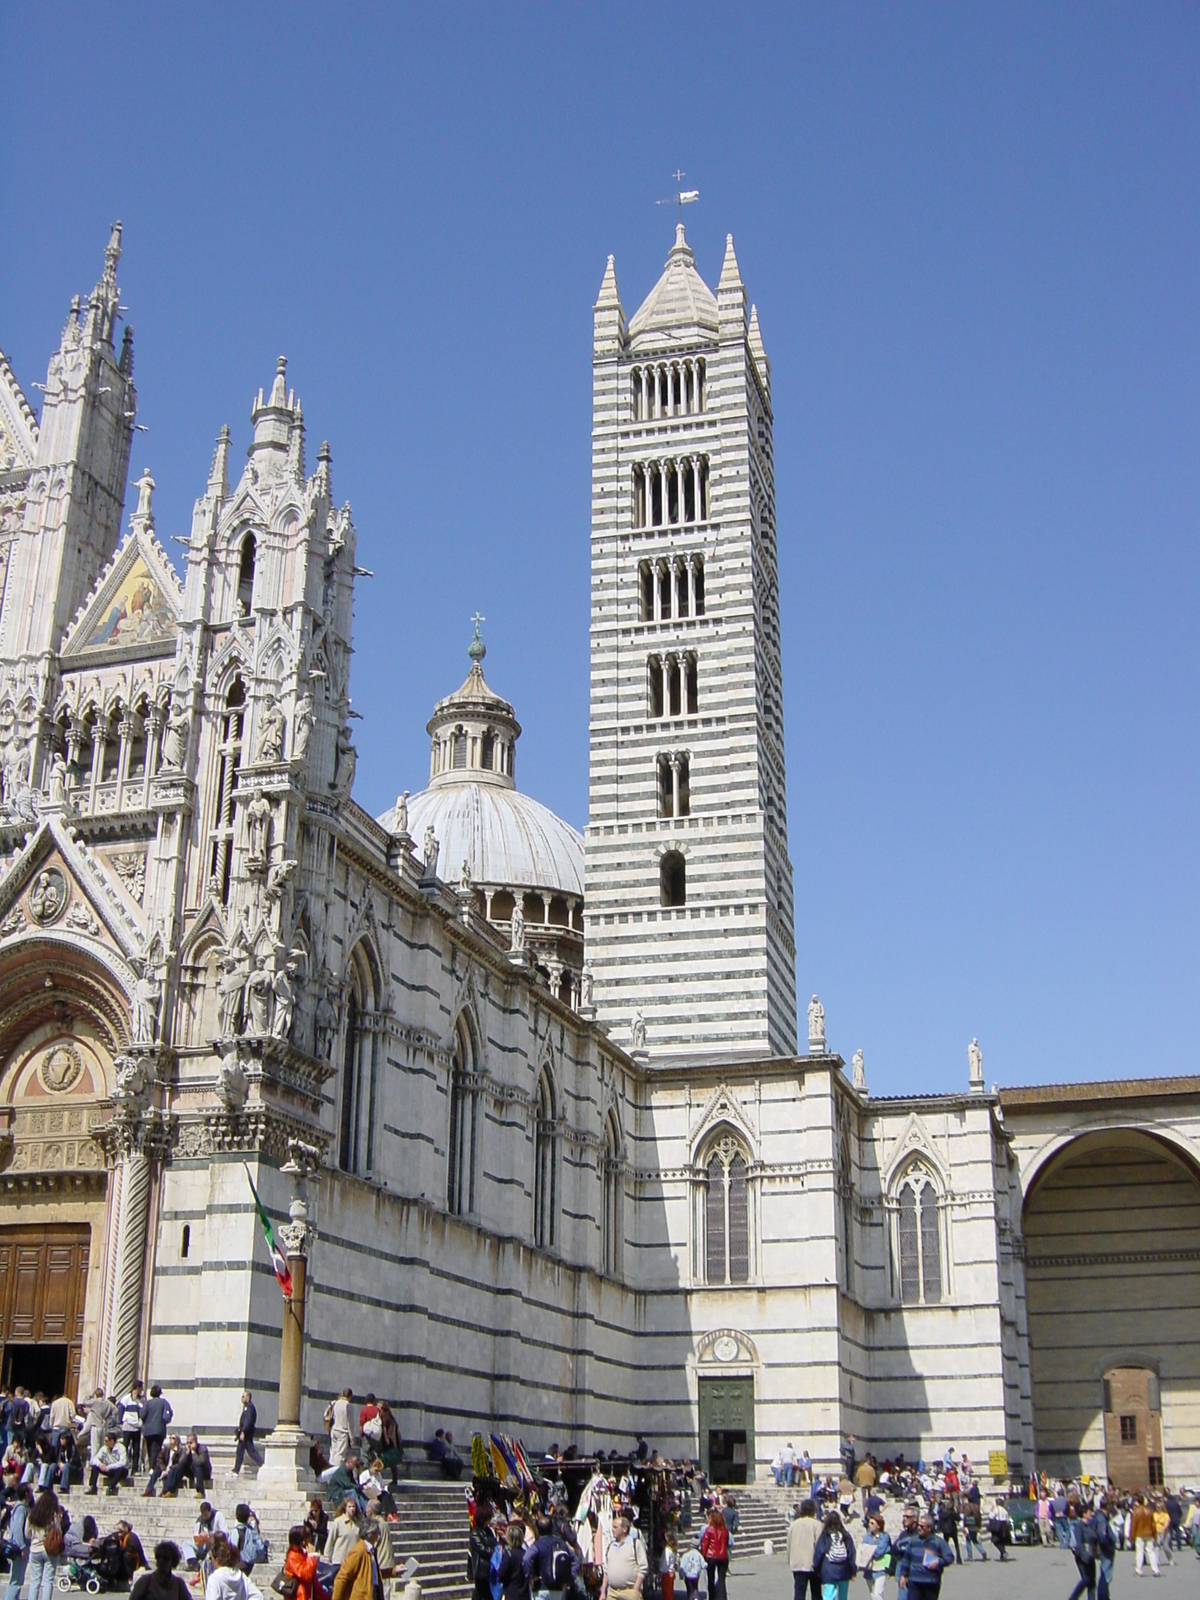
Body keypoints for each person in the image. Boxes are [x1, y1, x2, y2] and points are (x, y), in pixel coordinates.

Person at [895, 1512, 953, 1600]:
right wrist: (903, 1574)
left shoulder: (938, 1542)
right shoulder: (913, 1541)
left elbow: (949, 1557)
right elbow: (907, 1559)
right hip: (914, 1581)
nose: (919, 1528)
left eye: (922, 1526)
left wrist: (938, 1562)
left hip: (931, 1582)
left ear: (929, 1528)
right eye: (918, 1525)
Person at [523, 1513, 579, 1600]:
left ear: (537, 1530)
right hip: (559, 1587)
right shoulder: (561, 1543)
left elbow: (526, 1559)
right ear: (552, 1528)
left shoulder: (536, 1545)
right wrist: (569, 1578)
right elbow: (575, 1560)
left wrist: (531, 1577)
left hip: (540, 1588)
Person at [25, 1489, 65, 1600]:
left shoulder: (32, 1514)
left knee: (35, 1581)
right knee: (48, 1580)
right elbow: (59, 1532)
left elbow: (27, 1534)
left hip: (35, 1549)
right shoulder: (53, 1516)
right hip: (49, 1549)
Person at [601, 1514, 648, 1600]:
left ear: (624, 1529)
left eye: (615, 1527)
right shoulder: (611, 1546)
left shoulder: (635, 1544)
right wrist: (603, 1592)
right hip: (612, 1592)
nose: (612, 1530)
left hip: (630, 1592)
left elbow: (643, 1568)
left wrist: (635, 1590)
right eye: (612, 1527)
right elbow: (606, 1570)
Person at [331, 1518, 381, 1600]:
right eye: (377, 1532)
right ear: (371, 1534)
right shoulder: (359, 1551)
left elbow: (371, 1573)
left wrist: (393, 1572)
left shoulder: (371, 1550)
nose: (379, 1535)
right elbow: (341, 1578)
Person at [813, 1511, 857, 1600]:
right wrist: (853, 1570)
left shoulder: (825, 1536)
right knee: (843, 1597)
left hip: (828, 1569)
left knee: (829, 1596)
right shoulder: (845, 1535)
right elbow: (851, 1553)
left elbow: (819, 1553)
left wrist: (816, 1569)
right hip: (844, 1569)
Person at [205, 1535, 263, 1600]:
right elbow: (258, 1596)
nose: (211, 1561)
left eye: (211, 1558)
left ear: (217, 1560)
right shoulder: (241, 1577)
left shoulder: (215, 1579)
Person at [2, 1484, 32, 1600]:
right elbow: (17, 1529)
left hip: (18, 1547)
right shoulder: (21, 1509)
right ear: (26, 1494)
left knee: (17, 1578)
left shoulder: (22, 1508)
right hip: (18, 1549)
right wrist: (23, 1547)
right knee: (16, 1579)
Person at [789, 1498, 821, 1600]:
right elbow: (820, 1546)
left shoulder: (794, 1525)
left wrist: (790, 1560)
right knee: (816, 1592)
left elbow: (789, 1544)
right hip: (813, 1563)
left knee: (799, 1592)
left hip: (797, 1563)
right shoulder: (817, 1524)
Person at [284, 1525, 327, 1600]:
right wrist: (311, 1557)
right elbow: (305, 1575)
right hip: (299, 1596)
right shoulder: (292, 1556)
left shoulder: (300, 1553)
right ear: (302, 1540)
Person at [141, 1384, 173, 1475]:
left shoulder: (147, 1403)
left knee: (149, 1448)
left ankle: (152, 1466)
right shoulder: (164, 1402)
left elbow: (142, 1414)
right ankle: (153, 1467)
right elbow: (168, 1415)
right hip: (159, 1429)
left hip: (148, 1430)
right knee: (156, 1448)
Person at [1068, 1506, 1099, 1600]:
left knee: (1092, 1582)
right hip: (1082, 1556)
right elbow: (1079, 1542)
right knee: (1086, 1579)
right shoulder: (1079, 1525)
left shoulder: (1091, 1525)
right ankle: (1073, 1598)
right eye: (1090, 1512)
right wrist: (1084, 1555)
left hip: (1091, 1555)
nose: (1091, 1514)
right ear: (1084, 1514)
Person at [186, 1503, 229, 1567]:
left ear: (210, 1512)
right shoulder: (200, 1520)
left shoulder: (218, 1515)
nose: (204, 1517)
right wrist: (201, 1539)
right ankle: (193, 1563)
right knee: (186, 1544)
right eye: (203, 1515)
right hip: (204, 1546)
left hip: (216, 1545)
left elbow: (225, 1534)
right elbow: (196, 1537)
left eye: (206, 1515)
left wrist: (211, 1536)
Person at [498, 1521, 532, 1600]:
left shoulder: (509, 1554)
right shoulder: (526, 1553)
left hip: (511, 1592)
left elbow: (501, 1574)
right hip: (524, 1593)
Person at [87, 1430, 128, 1495]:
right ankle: (92, 1487)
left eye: (106, 1441)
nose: (104, 1442)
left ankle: (111, 1487)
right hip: (109, 1469)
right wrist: (100, 1464)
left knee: (121, 1469)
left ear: (112, 1441)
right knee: (95, 1467)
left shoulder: (121, 1448)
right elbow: (94, 1459)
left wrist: (110, 1466)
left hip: (119, 1470)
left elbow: (123, 1462)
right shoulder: (104, 1448)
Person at [860, 1513, 890, 1600]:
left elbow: (880, 1551)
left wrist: (870, 1550)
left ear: (879, 1525)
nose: (870, 1525)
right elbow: (864, 1550)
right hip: (869, 1569)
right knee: (873, 1594)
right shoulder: (867, 1537)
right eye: (869, 1523)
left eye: (872, 1523)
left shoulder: (885, 1536)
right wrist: (869, 1550)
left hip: (881, 1567)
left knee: (878, 1594)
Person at [323, 1501, 361, 1569]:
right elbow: (330, 1540)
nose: (352, 1509)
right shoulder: (338, 1522)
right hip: (339, 1562)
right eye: (349, 1507)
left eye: (353, 1506)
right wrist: (327, 1557)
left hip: (353, 1561)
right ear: (345, 1508)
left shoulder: (358, 1524)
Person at [119, 1384, 145, 1475]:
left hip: (137, 1427)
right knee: (125, 1447)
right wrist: (121, 1422)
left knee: (136, 1449)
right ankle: (123, 1467)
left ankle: (134, 1469)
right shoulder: (126, 1398)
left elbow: (143, 1411)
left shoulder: (142, 1400)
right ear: (137, 1388)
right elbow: (121, 1410)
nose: (142, 1390)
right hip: (127, 1426)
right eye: (141, 1388)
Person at [234, 1394, 262, 1476]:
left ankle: (262, 1464)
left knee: (250, 1450)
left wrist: (243, 1431)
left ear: (248, 1398)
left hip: (246, 1433)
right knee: (240, 1450)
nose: (241, 1398)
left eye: (243, 1397)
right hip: (245, 1433)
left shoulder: (249, 1408)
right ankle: (236, 1469)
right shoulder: (247, 1407)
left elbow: (248, 1421)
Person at [328, 1391, 355, 1470]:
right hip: (343, 1431)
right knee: (340, 1455)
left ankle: (330, 1472)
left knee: (333, 1452)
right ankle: (336, 1473)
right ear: (350, 1396)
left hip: (334, 1430)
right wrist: (352, 1438)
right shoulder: (348, 1406)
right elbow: (350, 1423)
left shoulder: (335, 1403)